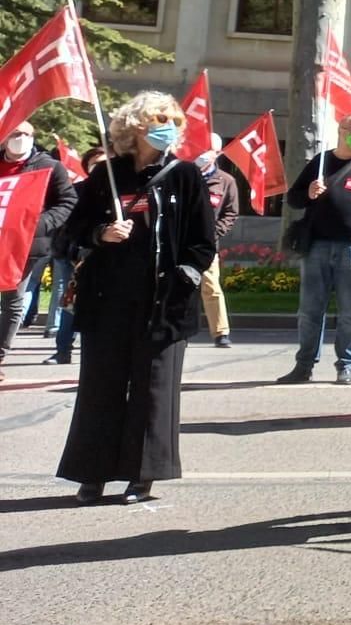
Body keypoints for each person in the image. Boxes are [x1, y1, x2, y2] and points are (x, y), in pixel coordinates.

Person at [54, 92, 216, 503]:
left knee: (153, 389)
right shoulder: (106, 175)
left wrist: (185, 277)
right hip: (107, 300)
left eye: (173, 119)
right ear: (135, 127)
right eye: (159, 118)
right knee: (101, 386)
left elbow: (203, 241)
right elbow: (69, 233)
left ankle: (143, 475)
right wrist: (99, 234)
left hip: (163, 302)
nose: (169, 125)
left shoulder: (185, 175)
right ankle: (93, 472)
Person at [277, 112, 351, 386]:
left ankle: (346, 365)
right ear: (341, 130)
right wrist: (309, 192)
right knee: (311, 310)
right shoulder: (321, 161)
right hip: (318, 246)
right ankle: (304, 366)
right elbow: (293, 198)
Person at [0, 120, 78, 380]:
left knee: (13, 300)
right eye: (14, 133)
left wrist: (42, 224)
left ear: (33, 138)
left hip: (26, 246)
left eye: (25, 134)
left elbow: (67, 201)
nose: (19, 138)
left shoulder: (49, 167)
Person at [42, 146, 102, 366]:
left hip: (106, 256)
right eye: (95, 163)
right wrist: (73, 250)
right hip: (76, 256)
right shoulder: (77, 191)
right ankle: (63, 349)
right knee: (70, 304)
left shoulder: (117, 191)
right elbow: (66, 225)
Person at [195, 149, 238, 348]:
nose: (201, 155)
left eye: (207, 150)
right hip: (179, 241)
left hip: (207, 244)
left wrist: (214, 233)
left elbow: (230, 213)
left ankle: (221, 332)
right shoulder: (184, 174)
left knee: (211, 286)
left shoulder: (226, 180)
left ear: (216, 154)